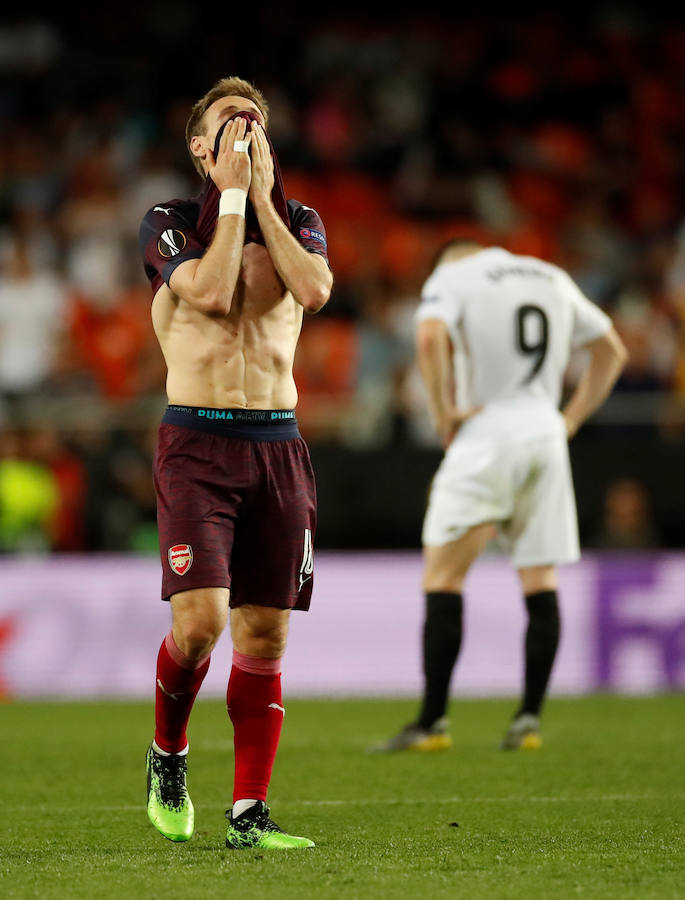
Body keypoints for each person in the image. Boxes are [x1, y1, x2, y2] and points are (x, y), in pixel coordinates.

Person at [138, 76, 332, 849]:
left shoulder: (301, 223)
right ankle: (168, 756)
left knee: (265, 636)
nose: (247, 131)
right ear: (198, 147)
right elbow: (213, 295)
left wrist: (262, 198)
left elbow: (314, 290)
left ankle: (248, 813)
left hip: (277, 445)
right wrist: (227, 197)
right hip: (197, 444)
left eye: (256, 122)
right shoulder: (167, 222)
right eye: (229, 123)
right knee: (200, 623)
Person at [372, 237, 627, 752]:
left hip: (487, 433)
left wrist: (442, 413)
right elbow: (612, 351)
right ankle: (528, 719)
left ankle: (433, 722)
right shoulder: (549, 276)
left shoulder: (453, 277)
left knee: (444, 574)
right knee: (540, 577)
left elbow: (428, 338)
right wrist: (571, 420)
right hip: (545, 434)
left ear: (449, 261)